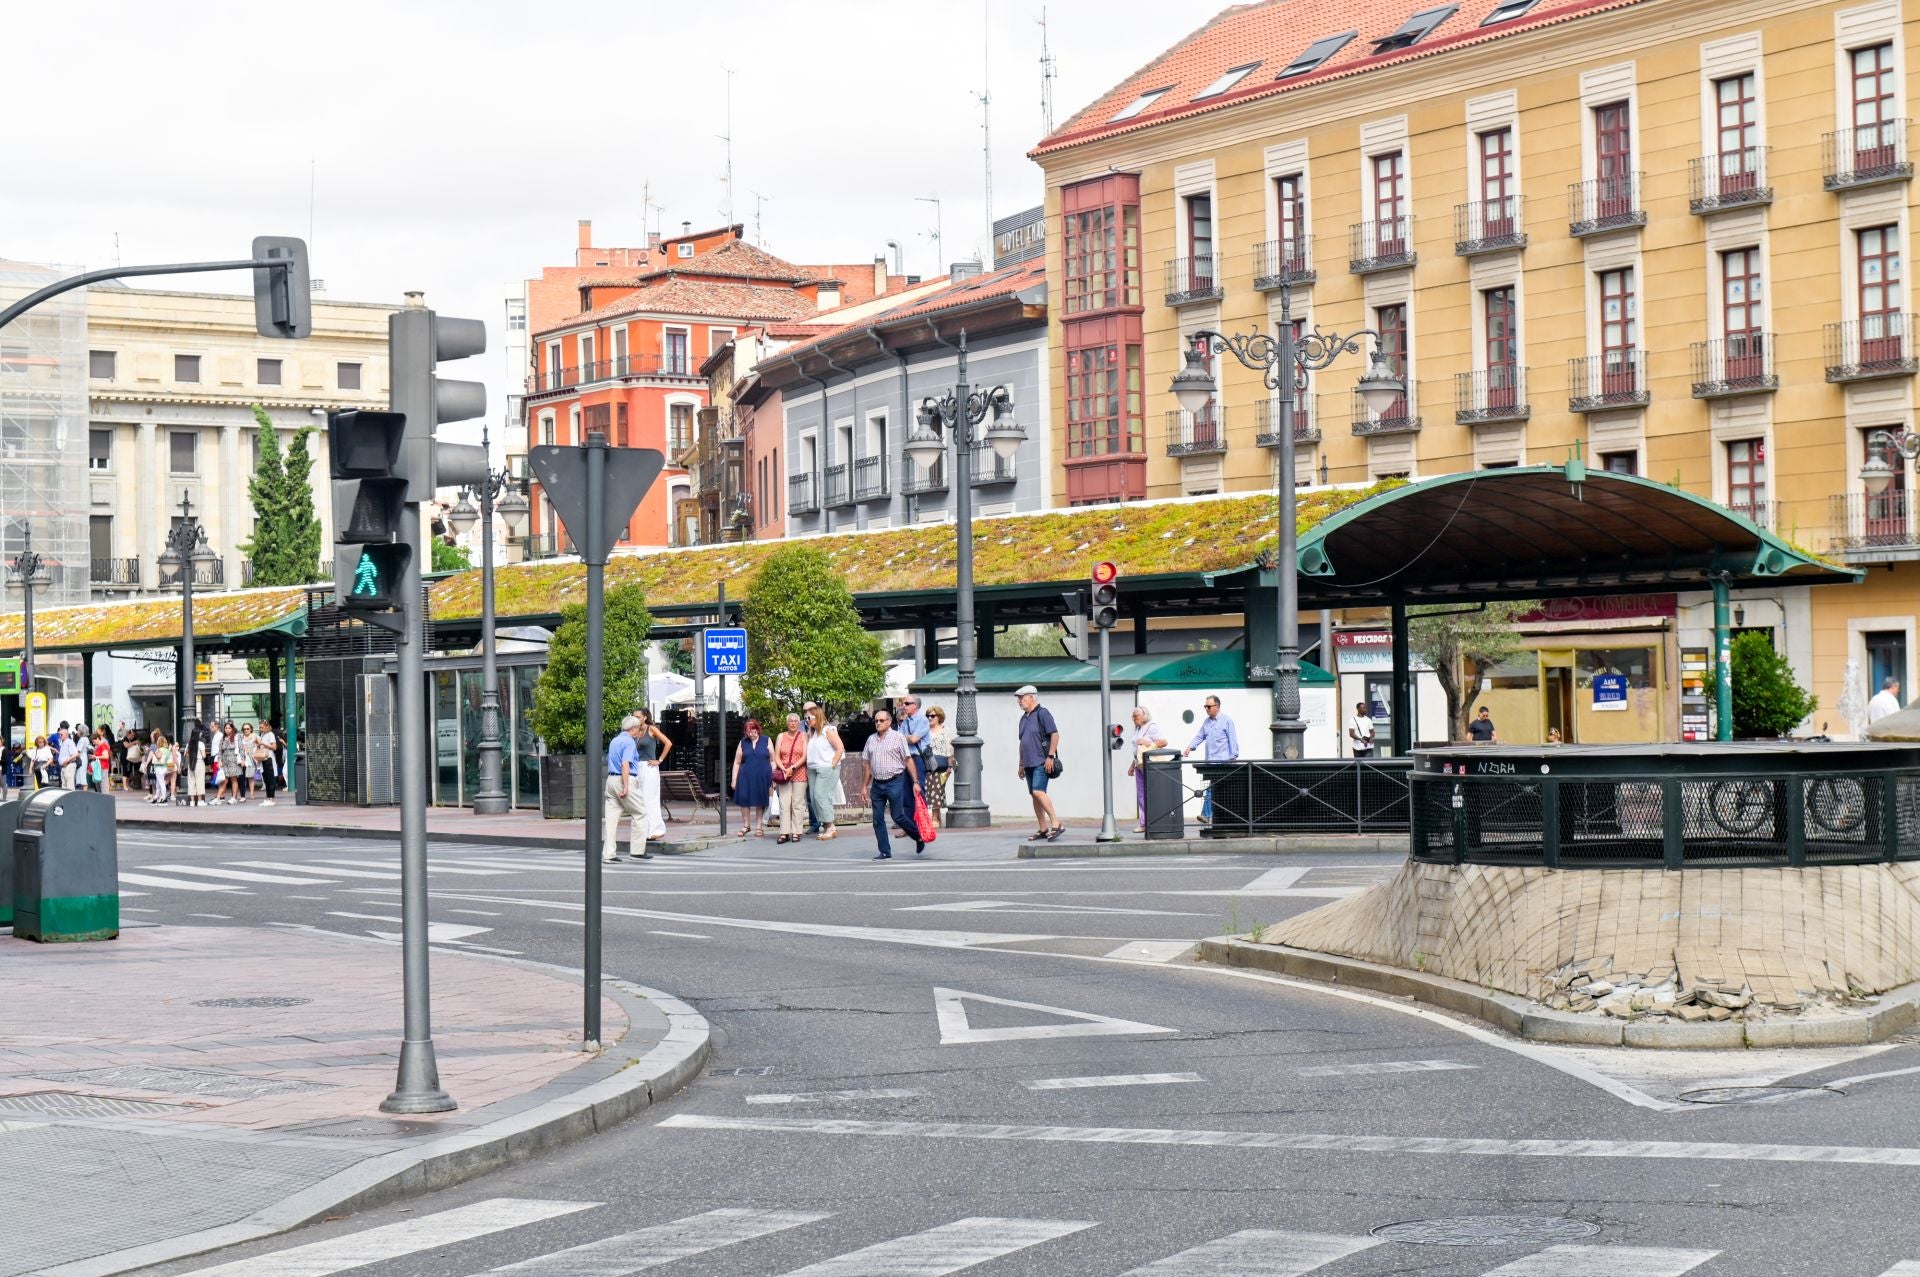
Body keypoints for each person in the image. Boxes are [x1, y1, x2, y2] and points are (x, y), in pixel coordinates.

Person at [862, 707, 923, 860]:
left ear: (889, 722)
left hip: (895, 781)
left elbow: (908, 760)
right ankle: (884, 851)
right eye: (876, 720)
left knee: (898, 816)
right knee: (877, 819)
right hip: (877, 784)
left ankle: (918, 836)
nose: (878, 723)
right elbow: (867, 765)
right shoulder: (871, 739)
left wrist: (915, 781)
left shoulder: (898, 737)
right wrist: (864, 786)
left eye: (882, 720)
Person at [1014, 685, 1063, 841]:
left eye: (1021, 698)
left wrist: (1050, 756)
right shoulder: (1023, 718)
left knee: (1038, 791)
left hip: (1042, 761)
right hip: (1028, 762)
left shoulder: (1043, 713)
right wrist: (1021, 764)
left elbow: (1055, 735)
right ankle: (1043, 828)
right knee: (1034, 795)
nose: (1019, 701)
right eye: (1018, 699)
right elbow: (1022, 742)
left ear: (1032, 697)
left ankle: (1056, 823)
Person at [1184, 695, 1239, 825]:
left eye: (1209, 706)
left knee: (1213, 789)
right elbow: (1199, 736)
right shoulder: (1206, 722)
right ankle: (1215, 817)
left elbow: (1233, 740)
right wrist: (1189, 747)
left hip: (1224, 762)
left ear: (1217, 706)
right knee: (1215, 790)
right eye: (1205, 707)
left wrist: (1233, 757)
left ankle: (1208, 815)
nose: (1206, 709)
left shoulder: (1227, 720)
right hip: (1211, 762)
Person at [603, 714, 650, 863]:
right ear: (633, 728)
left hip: (610, 780)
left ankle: (609, 854)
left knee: (611, 820)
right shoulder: (629, 742)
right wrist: (626, 785)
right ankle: (637, 851)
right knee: (640, 813)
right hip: (624, 779)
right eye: (638, 729)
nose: (639, 732)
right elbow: (625, 764)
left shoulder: (614, 740)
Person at [631, 708, 671, 848]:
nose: (635, 718)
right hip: (637, 767)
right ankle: (644, 830)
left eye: (638, 716)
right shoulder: (634, 732)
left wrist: (659, 760)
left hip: (649, 767)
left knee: (649, 799)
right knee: (639, 800)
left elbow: (668, 743)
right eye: (634, 716)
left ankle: (655, 830)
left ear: (644, 717)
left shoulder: (651, 729)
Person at [804, 703, 844, 841]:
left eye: (810, 718)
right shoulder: (812, 733)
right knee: (814, 798)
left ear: (818, 716)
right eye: (806, 718)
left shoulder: (828, 730)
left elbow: (840, 747)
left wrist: (832, 763)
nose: (807, 721)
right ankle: (826, 826)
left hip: (826, 767)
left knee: (821, 796)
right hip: (813, 768)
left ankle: (831, 826)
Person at [1126, 705, 1168, 834]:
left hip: (1150, 765)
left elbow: (1164, 742)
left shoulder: (1152, 726)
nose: (1133, 718)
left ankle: (1156, 821)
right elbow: (1138, 750)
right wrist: (1132, 765)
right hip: (1139, 764)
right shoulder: (1138, 729)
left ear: (1144, 715)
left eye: (1136, 716)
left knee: (1152, 793)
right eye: (1132, 716)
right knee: (1141, 795)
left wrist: (1148, 743)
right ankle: (1144, 823)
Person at [771, 713, 810, 844]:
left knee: (798, 804)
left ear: (799, 724)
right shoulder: (781, 736)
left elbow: (804, 756)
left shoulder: (804, 736)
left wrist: (792, 768)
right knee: (784, 803)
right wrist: (783, 769)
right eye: (790, 721)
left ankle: (797, 831)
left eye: (795, 721)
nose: (793, 723)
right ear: (787, 723)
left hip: (799, 772)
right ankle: (784, 832)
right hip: (784, 774)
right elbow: (776, 756)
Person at [731, 718, 773, 836]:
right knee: (744, 799)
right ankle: (746, 825)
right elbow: (737, 762)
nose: (751, 733)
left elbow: (773, 760)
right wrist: (734, 779)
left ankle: (759, 827)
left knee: (760, 800)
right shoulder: (743, 742)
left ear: (758, 729)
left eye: (753, 730)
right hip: (745, 775)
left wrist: (774, 776)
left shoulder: (766, 740)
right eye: (748, 731)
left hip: (763, 775)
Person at [924, 706, 953, 816]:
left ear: (939, 717)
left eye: (932, 716)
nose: (930, 718)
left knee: (937, 790)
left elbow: (949, 749)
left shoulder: (945, 731)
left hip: (940, 765)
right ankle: (927, 817)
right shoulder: (924, 730)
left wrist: (950, 767)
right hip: (926, 764)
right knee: (926, 790)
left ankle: (936, 817)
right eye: (928, 716)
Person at [256, 720, 281, 806]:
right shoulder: (262, 735)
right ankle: (267, 798)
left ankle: (272, 799)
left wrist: (263, 743)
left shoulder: (270, 734)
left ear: (267, 727)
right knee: (266, 779)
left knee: (270, 779)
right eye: (260, 727)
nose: (260, 729)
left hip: (269, 758)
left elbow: (274, 747)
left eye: (262, 727)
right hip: (263, 758)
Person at [216, 723, 241, 804]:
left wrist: (243, 760)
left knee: (234, 779)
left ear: (232, 729)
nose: (227, 729)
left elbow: (241, 749)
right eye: (226, 728)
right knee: (224, 780)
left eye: (229, 728)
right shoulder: (223, 738)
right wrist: (219, 760)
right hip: (225, 761)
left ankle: (234, 798)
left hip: (234, 760)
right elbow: (219, 751)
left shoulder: (237, 737)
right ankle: (218, 798)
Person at [147, 732, 174, 804]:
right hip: (165, 768)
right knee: (158, 783)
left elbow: (158, 757)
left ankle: (163, 797)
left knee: (160, 783)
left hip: (159, 768)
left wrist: (154, 751)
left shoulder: (160, 750)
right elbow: (170, 759)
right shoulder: (167, 750)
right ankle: (157, 796)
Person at [55, 723, 80, 790]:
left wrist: (66, 761)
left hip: (68, 766)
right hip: (64, 766)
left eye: (61, 735)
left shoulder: (69, 742)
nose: (60, 736)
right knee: (64, 785)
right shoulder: (63, 742)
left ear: (66, 735)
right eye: (59, 734)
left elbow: (76, 754)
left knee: (69, 785)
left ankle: (71, 799)